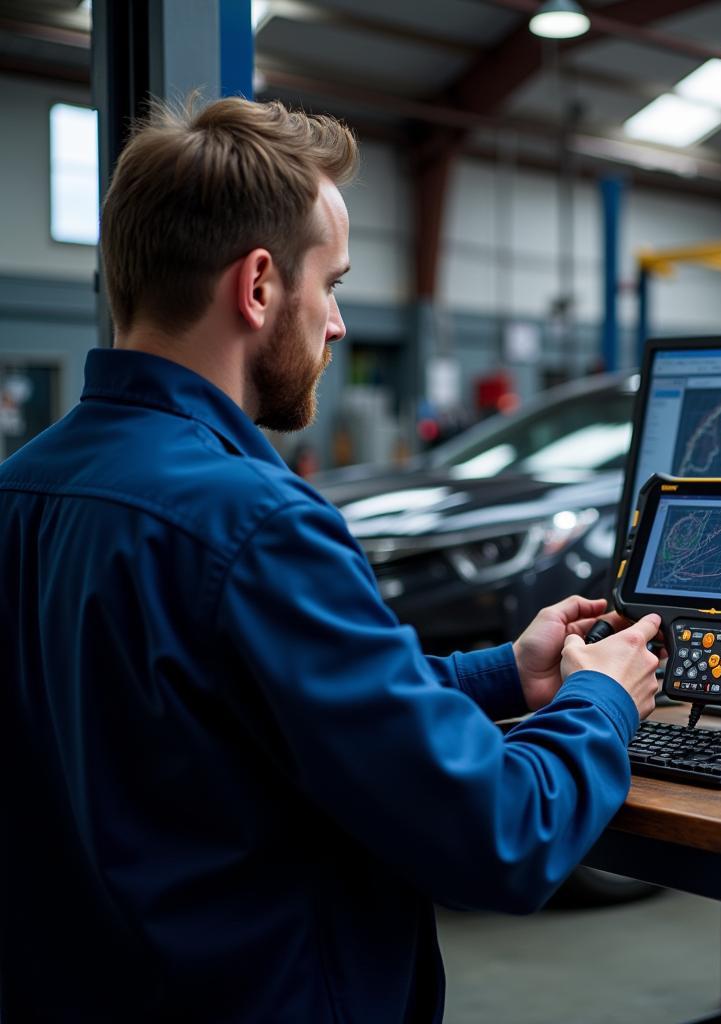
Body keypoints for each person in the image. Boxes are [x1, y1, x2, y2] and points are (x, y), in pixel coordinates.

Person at [0, 97, 661, 1023]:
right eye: (335, 284)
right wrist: (604, 701)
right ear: (260, 286)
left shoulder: (22, 489)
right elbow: (501, 836)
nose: (339, 324)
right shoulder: (256, 521)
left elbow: (235, 710)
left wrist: (507, 674)